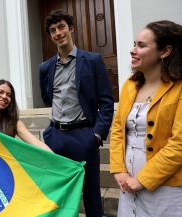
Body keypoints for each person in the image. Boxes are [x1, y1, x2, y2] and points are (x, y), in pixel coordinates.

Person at [39, 10, 114, 217]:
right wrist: (49, 135)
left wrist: (96, 135)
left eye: (61, 27)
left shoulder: (92, 61)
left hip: (84, 136)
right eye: (53, 30)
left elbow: (106, 102)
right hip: (55, 136)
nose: (58, 33)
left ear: (71, 29)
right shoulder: (45, 68)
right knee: (58, 192)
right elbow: (47, 97)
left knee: (90, 192)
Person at [110, 20, 182, 216]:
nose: (133, 50)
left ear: (165, 51)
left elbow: (179, 144)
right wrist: (119, 170)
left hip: (167, 188)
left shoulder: (179, 88)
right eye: (134, 44)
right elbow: (118, 128)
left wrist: (143, 179)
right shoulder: (129, 85)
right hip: (128, 186)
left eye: (141, 45)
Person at [0, 79, 53, 152]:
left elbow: (36, 143)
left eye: (9, 95)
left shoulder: (14, 123)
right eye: (0, 92)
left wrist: (60, 161)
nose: (4, 96)